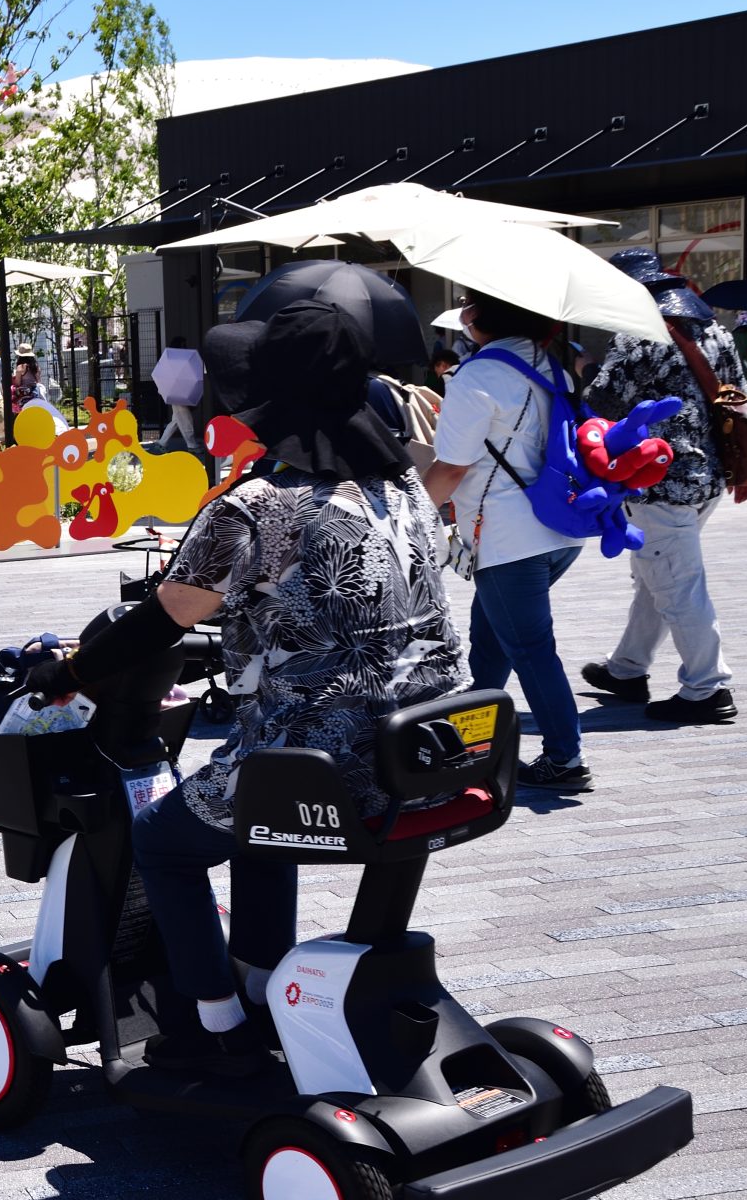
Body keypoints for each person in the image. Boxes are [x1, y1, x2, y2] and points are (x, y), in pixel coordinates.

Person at [26, 303, 462, 1069]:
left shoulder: (261, 504)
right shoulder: (404, 487)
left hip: (330, 762)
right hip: (434, 750)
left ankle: (215, 1026)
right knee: (258, 820)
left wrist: (68, 671)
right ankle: (259, 987)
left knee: (161, 838)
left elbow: (162, 616)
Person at [423, 290, 590, 792]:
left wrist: (413, 514)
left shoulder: (478, 375)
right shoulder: (550, 364)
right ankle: (466, 742)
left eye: (468, 302)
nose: (462, 310)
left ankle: (565, 759)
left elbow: (452, 467)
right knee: (493, 637)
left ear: (482, 315)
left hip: (508, 535)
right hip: (558, 527)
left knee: (529, 648)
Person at [578, 250, 747, 725]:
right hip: (710, 477)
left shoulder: (639, 333)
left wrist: (586, 369)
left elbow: (602, 401)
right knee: (658, 573)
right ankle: (626, 669)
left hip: (659, 480)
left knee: (678, 584)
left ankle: (707, 688)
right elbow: (743, 397)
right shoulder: (713, 329)